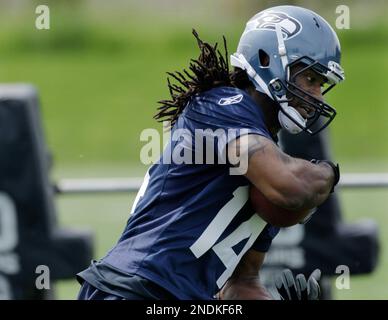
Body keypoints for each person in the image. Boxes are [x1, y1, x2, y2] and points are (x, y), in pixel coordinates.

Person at [77, 5, 344, 300]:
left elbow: (242, 284)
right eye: (310, 79)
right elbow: (291, 186)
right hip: (134, 288)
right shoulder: (220, 104)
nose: (317, 95)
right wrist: (329, 173)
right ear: (268, 59)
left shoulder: (267, 157)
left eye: (321, 84)